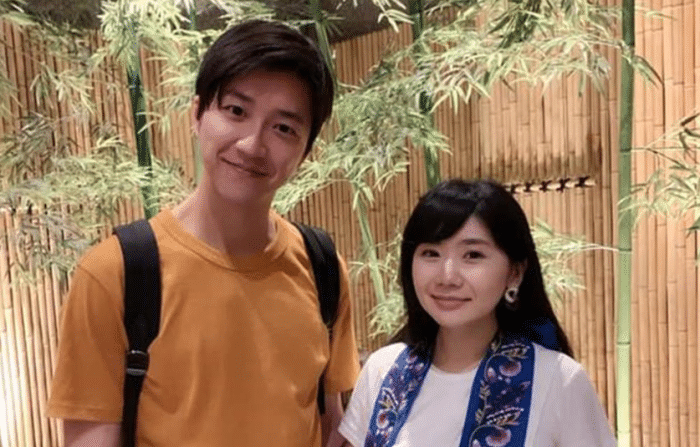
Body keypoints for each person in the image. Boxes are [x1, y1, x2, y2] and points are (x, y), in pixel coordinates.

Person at [48, 20, 359, 447]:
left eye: (283, 128)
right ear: (197, 114)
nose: (252, 144)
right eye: (236, 111)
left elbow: (329, 424)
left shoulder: (323, 268)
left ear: (306, 152)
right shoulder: (115, 273)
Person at [338, 179, 616, 447]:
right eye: (431, 253)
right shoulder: (383, 370)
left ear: (515, 273)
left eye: (472, 255)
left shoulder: (559, 380)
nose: (447, 277)